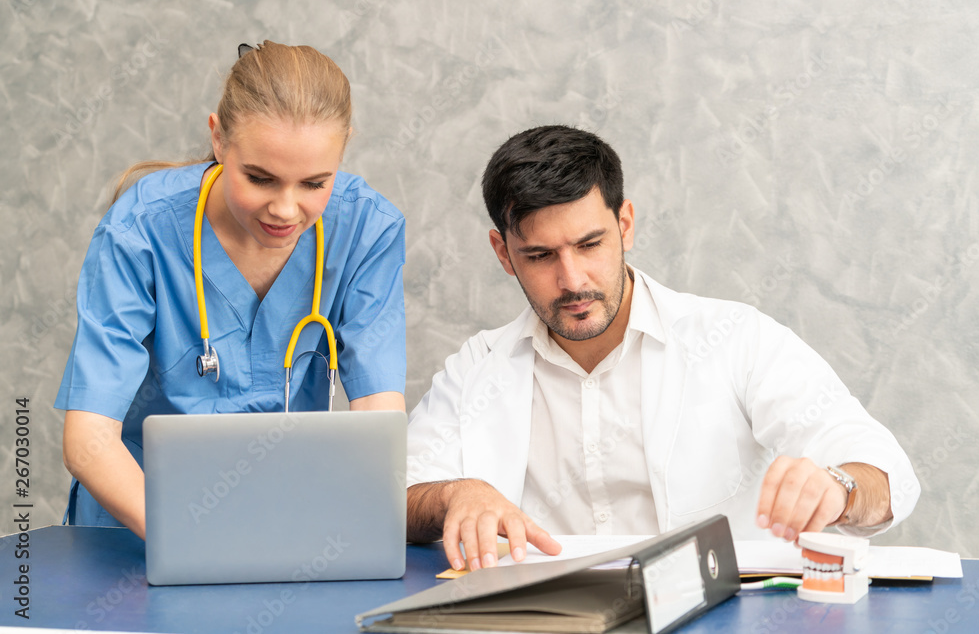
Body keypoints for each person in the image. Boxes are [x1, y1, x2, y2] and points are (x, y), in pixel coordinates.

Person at [405, 125, 919, 572]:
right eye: (540, 255)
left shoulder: (735, 338)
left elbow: (884, 473)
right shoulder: (477, 366)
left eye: (590, 244)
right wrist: (454, 494)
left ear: (624, 224)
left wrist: (839, 488)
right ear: (503, 253)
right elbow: (390, 501)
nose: (572, 279)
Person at [57, 41, 406, 539]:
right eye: (260, 178)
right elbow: (88, 439)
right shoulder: (141, 229)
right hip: (136, 521)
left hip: (282, 521)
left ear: (343, 149)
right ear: (218, 139)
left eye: (314, 183)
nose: (286, 210)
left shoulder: (367, 229)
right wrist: (185, 542)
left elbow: (379, 418)